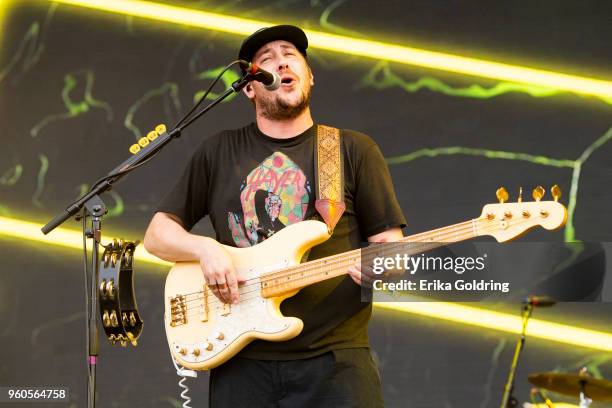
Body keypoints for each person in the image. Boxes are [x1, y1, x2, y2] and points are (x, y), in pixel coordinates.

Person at [144, 24, 406, 408]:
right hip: (241, 360)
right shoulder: (219, 151)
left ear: (309, 76)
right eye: (266, 60)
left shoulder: (352, 149)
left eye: (290, 55)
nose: (280, 61)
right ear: (250, 87)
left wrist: (384, 267)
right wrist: (204, 249)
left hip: (335, 363)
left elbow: (392, 250)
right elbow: (157, 234)